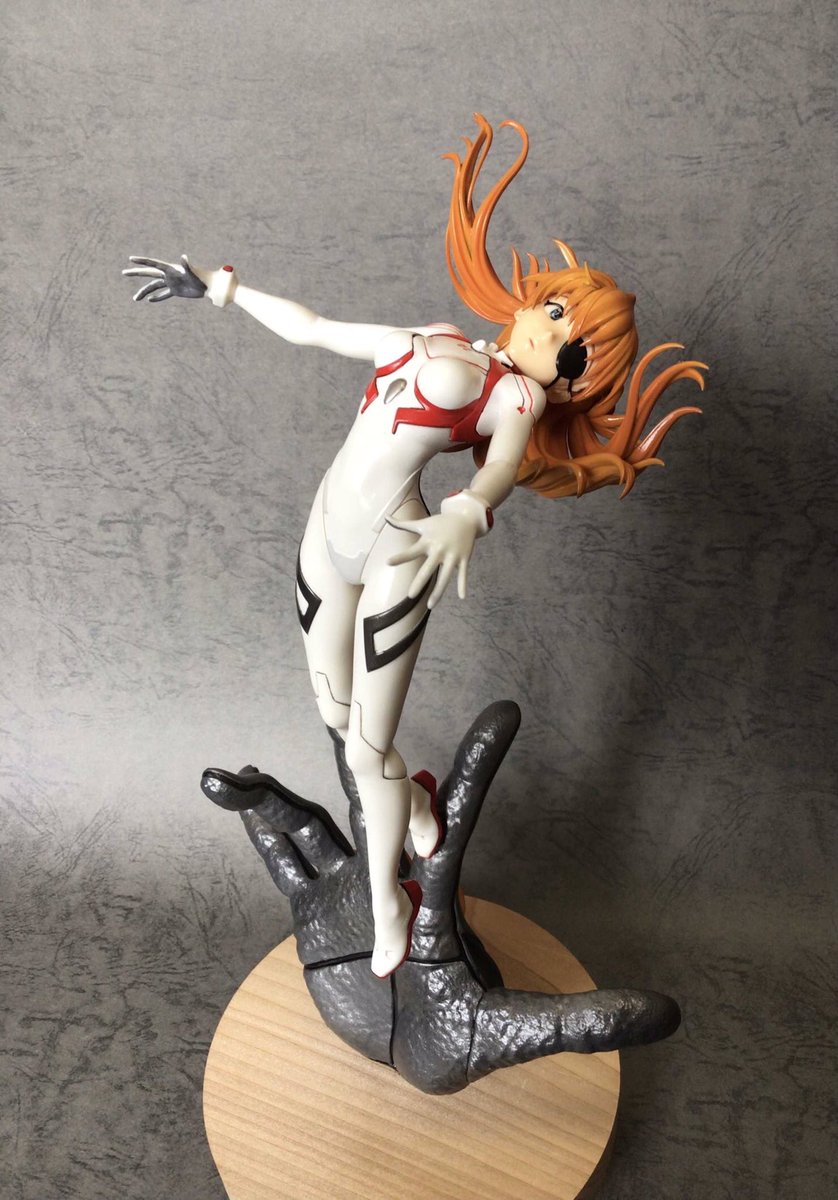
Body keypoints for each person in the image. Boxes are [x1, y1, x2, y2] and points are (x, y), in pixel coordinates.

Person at [124, 115, 705, 977]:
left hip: (404, 549)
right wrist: (221, 290)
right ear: (532, 298)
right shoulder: (432, 338)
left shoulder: (519, 399)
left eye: (575, 351)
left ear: (571, 381)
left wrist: (470, 510)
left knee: (366, 751)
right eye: (555, 312)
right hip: (325, 537)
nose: (551, 338)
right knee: (336, 716)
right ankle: (418, 807)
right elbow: (317, 328)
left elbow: (502, 465)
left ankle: (390, 900)